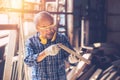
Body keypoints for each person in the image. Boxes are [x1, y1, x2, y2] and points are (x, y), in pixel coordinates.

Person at [24, 11, 78, 80]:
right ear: (37, 28)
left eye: (51, 26)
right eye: (44, 27)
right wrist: (45, 53)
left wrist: (72, 60)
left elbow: (70, 56)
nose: (49, 30)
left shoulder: (62, 38)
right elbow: (28, 62)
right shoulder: (31, 42)